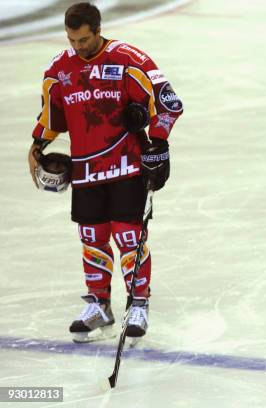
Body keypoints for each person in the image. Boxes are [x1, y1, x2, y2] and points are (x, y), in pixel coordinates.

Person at [27, 2, 183, 343]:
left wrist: (157, 143)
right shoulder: (59, 70)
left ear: (98, 30)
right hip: (85, 170)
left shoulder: (130, 61)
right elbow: (54, 116)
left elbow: (169, 104)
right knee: (91, 240)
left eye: (83, 39)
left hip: (127, 165)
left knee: (129, 238)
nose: (77, 47)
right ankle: (99, 304)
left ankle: (138, 304)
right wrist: (37, 143)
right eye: (72, 40)